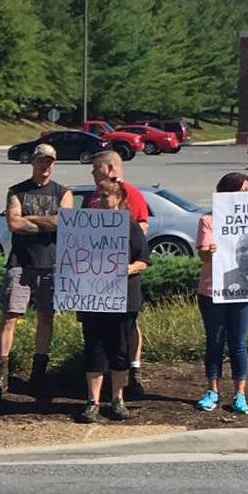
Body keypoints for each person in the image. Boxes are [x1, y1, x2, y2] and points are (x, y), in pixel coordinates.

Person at [0, 142, 72, 403]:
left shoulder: (63, 192)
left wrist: (31, 219)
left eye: (50, 161)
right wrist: (46, 223)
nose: (45, 165)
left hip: (51, 263)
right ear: (33, 162)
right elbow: (13, 222)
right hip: (20, 261)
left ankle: (39, 372)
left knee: (46, 317)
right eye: (41, 160)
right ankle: (1, 373)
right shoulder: (17, 190)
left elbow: (64, 222)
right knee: (9, 315)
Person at [73, 181, 149, 423]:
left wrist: (128, 268)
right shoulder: (86, 225)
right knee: (94, 349)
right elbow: (74, 254)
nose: (102, 200)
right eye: (99, 196)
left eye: (107, 196)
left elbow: (144, 260)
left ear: (118, 198)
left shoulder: (129, 225)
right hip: (93, 297)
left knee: (120, 351)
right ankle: (92, 401)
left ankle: (117, 399)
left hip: (123, 297)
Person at [88, 149, 152, 399]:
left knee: (125, 333)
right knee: (96, 341)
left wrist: (123, 264)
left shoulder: (132, 196)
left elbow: (140, 237)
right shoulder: (93, 200)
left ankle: (131, 377)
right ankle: (95, 390)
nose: (93, 172)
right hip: (95, 288)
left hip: (122, 285)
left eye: (96, 168)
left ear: (110, 169)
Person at [197, 172, 248, 415]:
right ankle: (212, 390)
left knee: (239, 343)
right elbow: (201, 255)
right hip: (212, 290)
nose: (247, 196)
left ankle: (240, 394)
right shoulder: (208, 220)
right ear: (227, 193)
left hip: (243, 291)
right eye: (242, 191)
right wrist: (208, 251)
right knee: (215, 341)